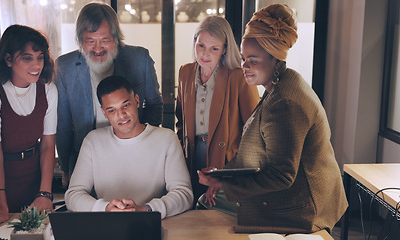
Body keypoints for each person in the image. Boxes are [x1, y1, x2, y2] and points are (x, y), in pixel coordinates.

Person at [198, 4, 348, 233]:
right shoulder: (282, 83)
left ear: (276, 60)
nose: (244, 66)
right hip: (300, 192)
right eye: (243, 58)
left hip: (302, 204)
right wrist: (224, 174)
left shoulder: (286, 103)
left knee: (204, 207)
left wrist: (224, 183)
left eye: (253, 60)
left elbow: (281, 175)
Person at [55, 2, 163, 187]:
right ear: (80, 40)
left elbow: (154, 106)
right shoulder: (64, 67)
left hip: (135, 155)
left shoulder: (139, 59)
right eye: (90, 41)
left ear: (116, 38)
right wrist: (65, 168)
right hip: (85, 157)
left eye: (104, 40)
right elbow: (63, 124)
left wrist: (144, 144)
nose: (97, 48)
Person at [65, 76, 192, 219]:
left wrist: (146, 210)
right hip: (107, 228)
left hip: (153, 226)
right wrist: (104, 208)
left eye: (125, 105)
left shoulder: (166, 139)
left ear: (137, 101)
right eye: (112, 110)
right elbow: (73, 195)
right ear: (104, 113)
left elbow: (184, 194)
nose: (121, 115)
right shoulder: (93, 141)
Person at [0, 25, 57, 230]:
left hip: (34, 172)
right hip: (2, 175)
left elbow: (48, 145)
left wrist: (44, 193)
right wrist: (1, 208)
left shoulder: (47, 89)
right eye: (27, 58)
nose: (36, 64)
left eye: (40, 57)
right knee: (5, 230)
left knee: (38, 230)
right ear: (8, 59)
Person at [175, 16, 259, 206]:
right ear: (194, 42)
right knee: (191, 213)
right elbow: (180, 121)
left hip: (225, 161)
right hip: (191, 156)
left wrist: (225, 175)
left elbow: (253, 134)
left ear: (224, 50)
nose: (205, 54)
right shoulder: (185, 73)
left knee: (215, 217)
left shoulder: (239, 76)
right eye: (201, 45)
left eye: (214, 48)